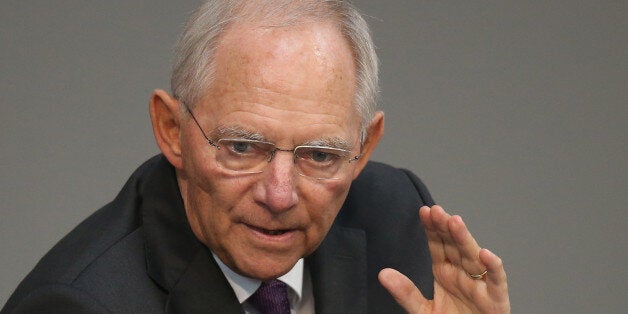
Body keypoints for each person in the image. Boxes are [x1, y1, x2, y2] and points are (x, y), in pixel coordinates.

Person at [2, 1, 510, 313]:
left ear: (364, 148)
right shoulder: (81, 305)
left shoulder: (397, 215)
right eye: (242, 147)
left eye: (319, 155)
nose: (279, 194)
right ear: (173, 130)